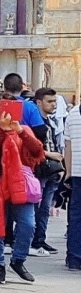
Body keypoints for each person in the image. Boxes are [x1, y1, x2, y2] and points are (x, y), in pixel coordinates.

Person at [0, 100, 46, 284]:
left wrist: (19, 131)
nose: (4, 113)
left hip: (20, 185)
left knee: (28, 225)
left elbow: (37, 151)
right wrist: (2, 130)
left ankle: (18, 260)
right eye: (0, 109)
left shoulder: (24, 130)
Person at [31, 87, 65, 257]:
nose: (53, 105)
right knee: (38, 206)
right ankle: (34, 239)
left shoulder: (51, 122)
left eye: (55, 101)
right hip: (39, 168)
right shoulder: (35, 123)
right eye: (50, 101)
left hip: (52, 168)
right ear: (39, 102)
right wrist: (49, 154)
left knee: (45, 207)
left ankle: (40, 238)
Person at [66, 102, 81, 271]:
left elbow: (68, 146)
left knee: (76, 216)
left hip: (77, 173)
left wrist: (68, 172)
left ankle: (74, 257)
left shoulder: (74, 114)